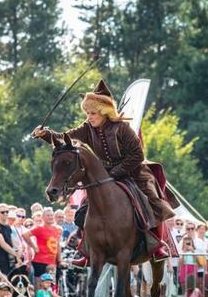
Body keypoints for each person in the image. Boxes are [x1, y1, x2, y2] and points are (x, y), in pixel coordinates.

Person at [32, 79, 172, 263]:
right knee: (83, 211)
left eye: (93, 113)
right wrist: (46, 134)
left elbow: (137, 154)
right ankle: (87, 251)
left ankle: (157, 246)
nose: (89, 116)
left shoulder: (122, 128)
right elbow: (65, 138)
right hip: (104, 175)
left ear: (104, 112)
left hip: (134, 171)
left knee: (153, 200)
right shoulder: (87, 129)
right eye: (87, 113)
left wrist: (116, 172)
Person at [23, 208, 63, 282]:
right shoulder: (39, 228)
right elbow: (25, 235)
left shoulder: (57, 229)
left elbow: (58, 244)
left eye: (51, 215)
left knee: (51, 286)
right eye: (48, 215)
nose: (50, 217)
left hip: (52, 262)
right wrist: (34, 247)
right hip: (40, 261)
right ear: (43, 217)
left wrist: (59, 259)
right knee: (39, 288)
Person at [0, 203, 22, 276]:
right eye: (2, 212)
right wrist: (16, 254)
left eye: (7, 212)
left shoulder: (9, 227)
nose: (5, 214)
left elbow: (14, 243)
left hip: (9, 259)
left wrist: (18, 254)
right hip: (0, 258)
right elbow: (3, 244)